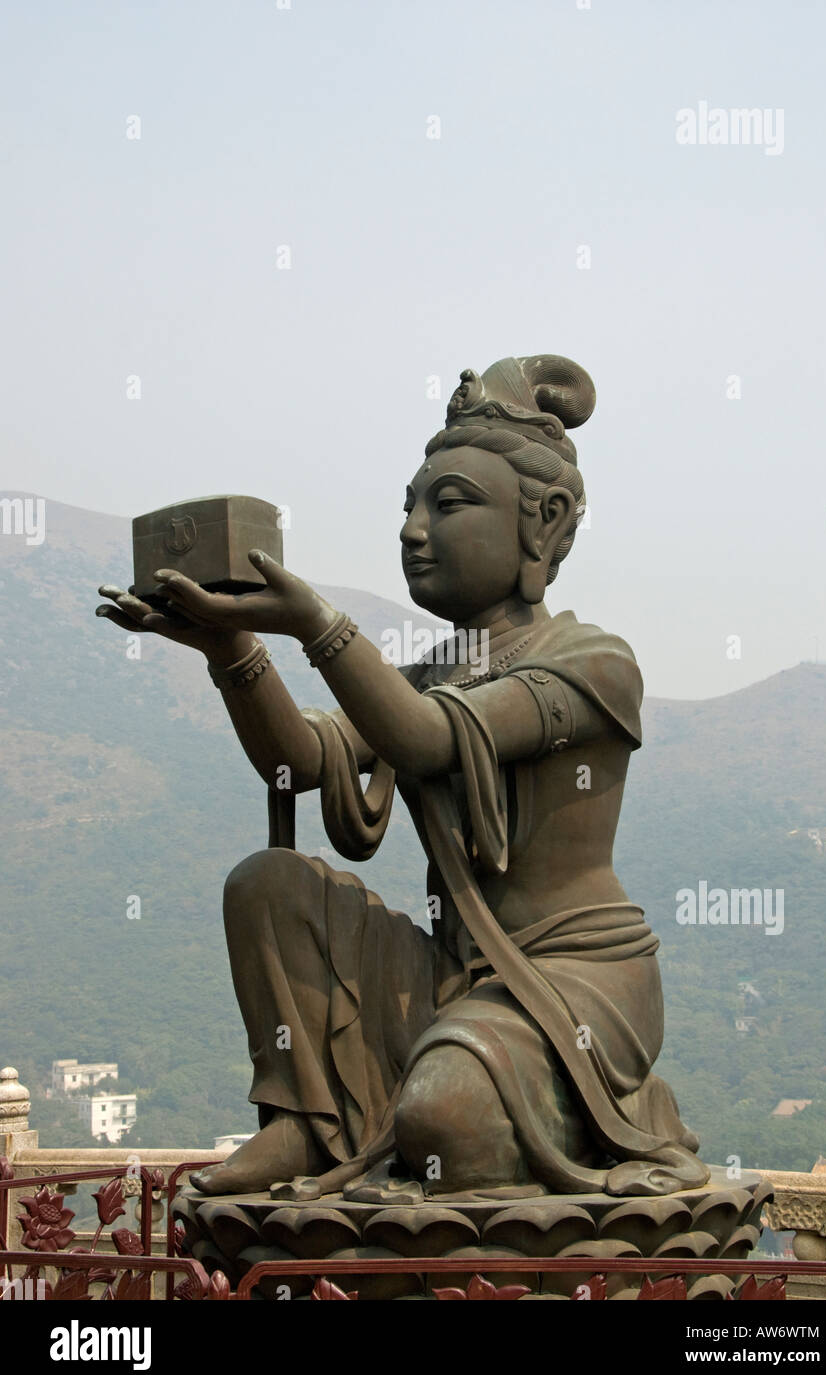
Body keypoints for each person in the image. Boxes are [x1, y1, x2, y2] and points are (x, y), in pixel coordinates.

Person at [96, 354, 709, 1202]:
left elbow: (423, 742)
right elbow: (302, 761)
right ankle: (301, 1122)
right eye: (409, 507)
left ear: (547, 523)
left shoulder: (594, 665)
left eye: (448, 504)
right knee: (269, 884)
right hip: (452, 978)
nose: (413, 530)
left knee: (444, 1121)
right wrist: (230, 648)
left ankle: (487, 1100)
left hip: (573, 986)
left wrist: (314, 622)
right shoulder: (430, 674)